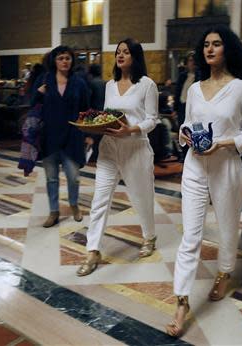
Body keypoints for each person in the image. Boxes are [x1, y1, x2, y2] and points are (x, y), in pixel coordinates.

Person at [166, 25, 242, 337]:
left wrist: (223, 143)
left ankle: (224, 272)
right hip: (195, 166)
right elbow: (188, 123)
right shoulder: (194, 88)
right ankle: (181, 302)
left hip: (227, 168)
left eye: (217, 44)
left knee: (226, 226)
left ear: (228, 49)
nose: (210, 49)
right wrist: (184, 132)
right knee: (190, 236)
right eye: (206, 44)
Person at [76, 38, 159, 277]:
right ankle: (92, 250)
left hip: (136, 148)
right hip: (110, 148)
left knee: (142, 197)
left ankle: (149, 236)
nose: (120, 55)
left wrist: (130, 129)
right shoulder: (110, 85)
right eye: (118, 52)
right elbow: (107, 115)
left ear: (135, 56)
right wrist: (95, 130)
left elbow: (152, 120)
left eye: (126, 52)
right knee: (100, 199)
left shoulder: (146, 84)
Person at [32, 46, 89, 228]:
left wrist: (88, 135)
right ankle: (54, 211)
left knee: (74, 177)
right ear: (54, 61)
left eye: (68, 58)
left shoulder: (79, 82)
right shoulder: (44, 80)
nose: (65, 61)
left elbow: (86, 110)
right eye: (61, 58)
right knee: (51, 178)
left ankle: (73, 204)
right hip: (49, 138)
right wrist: (38, 94)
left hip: (73, 137)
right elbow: (32, 104)